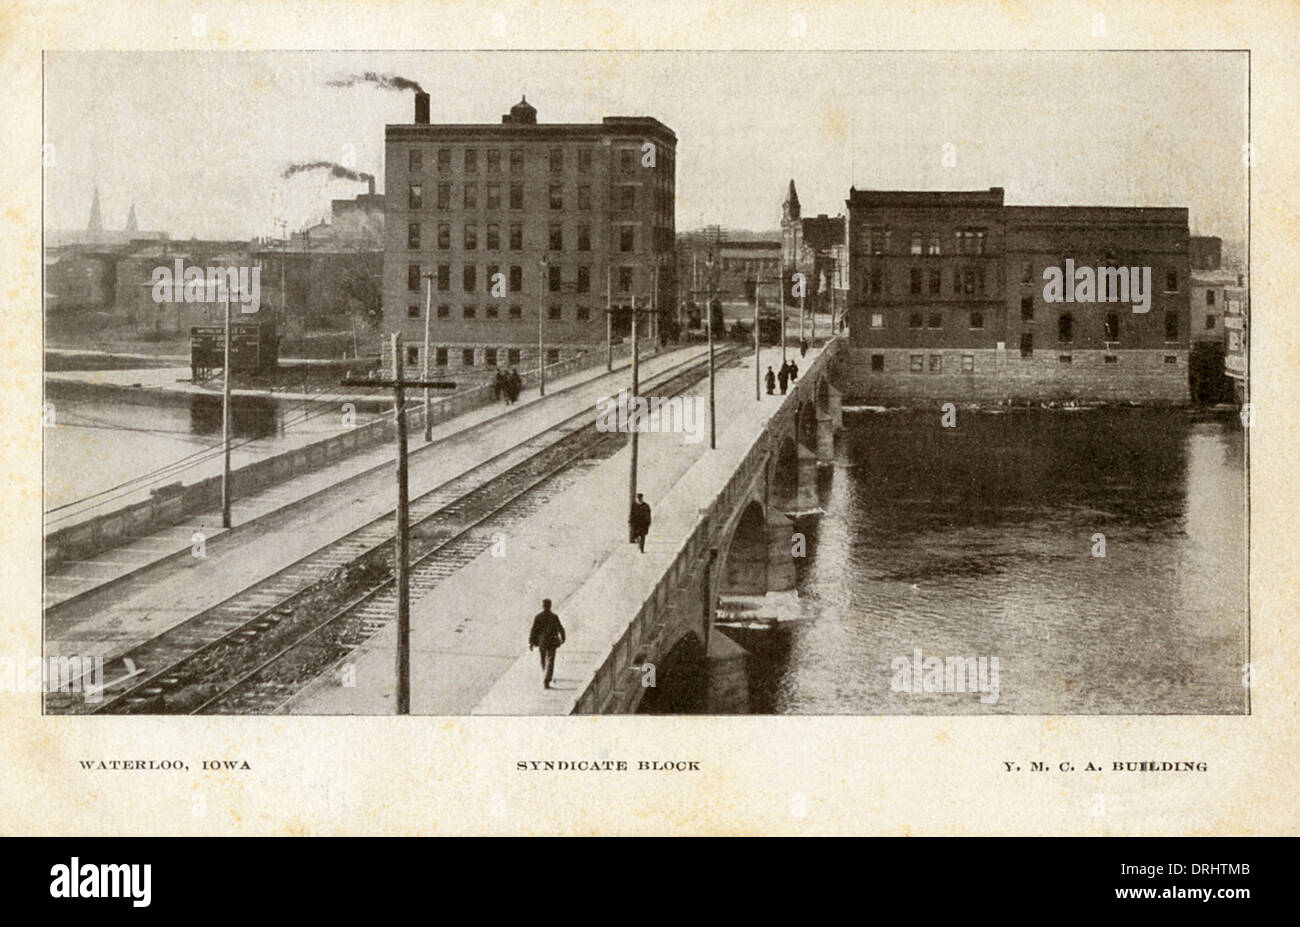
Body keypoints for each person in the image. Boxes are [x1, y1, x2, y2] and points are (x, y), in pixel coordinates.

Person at [529, 598, 565, 688]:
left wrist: (531, 642)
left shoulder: (538, 617)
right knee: (550, 660)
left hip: (542, 642)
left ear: (543, 606)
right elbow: (560, 628)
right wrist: (563, 638)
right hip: (552, 641)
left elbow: (533, 630)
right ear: (550, 606)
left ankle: (545, 674)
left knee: (543, 659)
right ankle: (547, 679)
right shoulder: (554, 617)